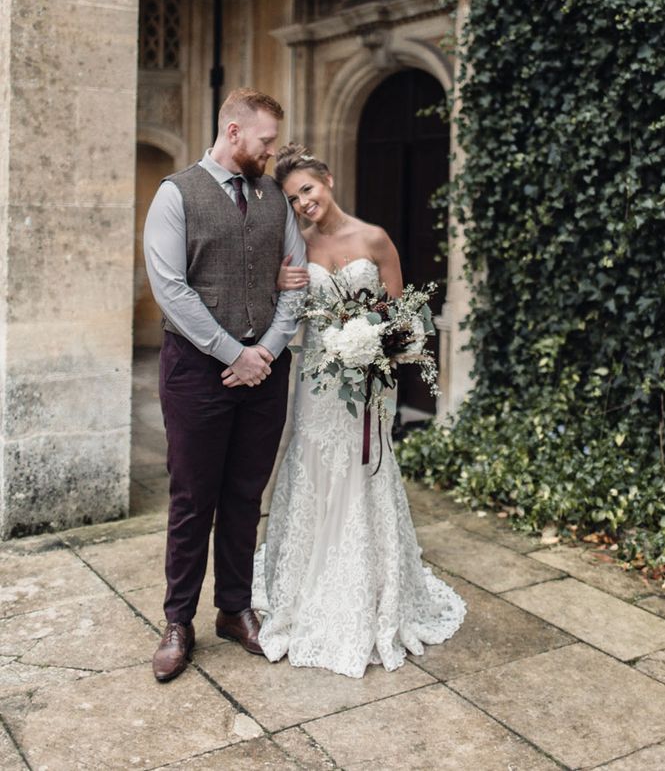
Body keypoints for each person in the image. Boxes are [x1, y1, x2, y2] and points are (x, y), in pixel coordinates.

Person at [252, 143, 465, 678]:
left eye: (308, 190)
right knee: (315, 462)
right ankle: (306, 579)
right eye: (294, 198)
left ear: (326, 180)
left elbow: (403, 316)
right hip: (318, 384)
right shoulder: (294, 249)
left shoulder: (374, 238)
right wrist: (279, 284)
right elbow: (288, 312)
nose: (304, 203)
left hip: (369, 385)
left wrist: (383, 347)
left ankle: (371, 584)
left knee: (365, 469)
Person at [143, 89, 306, 682]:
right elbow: (171, 289)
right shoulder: (175, 195)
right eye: (265, 141)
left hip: (265, 372)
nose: (272, 151)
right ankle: (178, 621)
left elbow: (295, 283)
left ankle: (234, 610)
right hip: (195, 374)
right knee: (192, 499)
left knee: (244, 495)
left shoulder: (274, 198)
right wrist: (232, 352)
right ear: (233, 132)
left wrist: (264, 351)